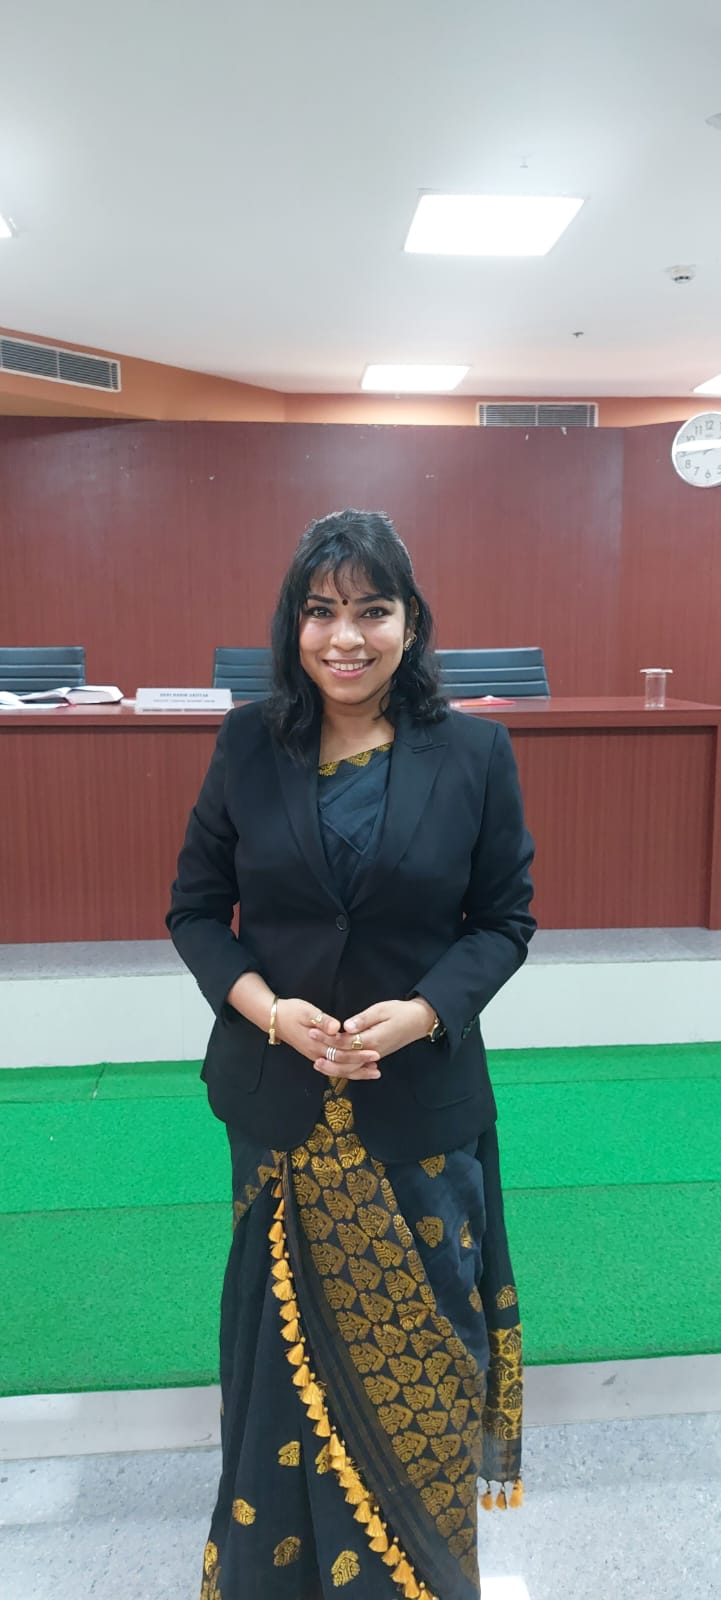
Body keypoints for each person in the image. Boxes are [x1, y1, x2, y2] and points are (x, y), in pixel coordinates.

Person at [167, 508, 536, 1600]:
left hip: (417, 1114)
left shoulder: (474, 752)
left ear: (410, 623)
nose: (345, 638)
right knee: (275, 1380)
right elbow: (195, 911)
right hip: (279, 1113)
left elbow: (503, 921)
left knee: (427, 1363)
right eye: (321, 611)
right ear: (293, 624)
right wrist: (269, 1011)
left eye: (372, 611)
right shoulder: (248, 741)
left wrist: (422, 1012)